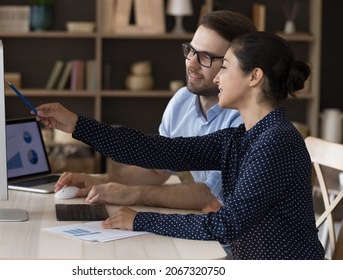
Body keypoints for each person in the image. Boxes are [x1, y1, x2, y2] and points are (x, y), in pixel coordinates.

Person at [34, 31, 325, 259]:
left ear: (254, 76)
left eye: (224, 67)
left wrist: (141, 220)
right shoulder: (241, 138)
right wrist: (75, 124)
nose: (218, 77)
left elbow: (225, 225)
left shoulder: (278, 141)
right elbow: (158, 150)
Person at [54, 11, 256, 212]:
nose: (191, 64)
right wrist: (100, 180)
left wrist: (133, 194)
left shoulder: (246, 121)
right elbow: (158, 166)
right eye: (191, 51)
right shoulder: (182, 100)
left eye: (206, 57)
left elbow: (211, 197)